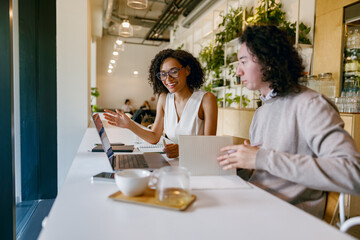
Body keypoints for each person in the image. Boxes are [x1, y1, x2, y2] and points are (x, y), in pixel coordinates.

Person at [217, 25, 360, 218]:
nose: (237, 72)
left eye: (243, 62)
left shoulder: (311, 105)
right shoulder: (262, 111)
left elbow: (352, 173)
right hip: (256, 205)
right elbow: (270, 172)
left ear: (267, 61)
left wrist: (261, 158)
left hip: (289, 217)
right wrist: (246, 164)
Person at [104, 49, 218, 158]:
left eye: (173, 71)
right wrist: (129, 125)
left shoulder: (206, 99)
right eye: (163, 74)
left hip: (200, 165)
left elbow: (209, 145)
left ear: (187, 70)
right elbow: (154, 137)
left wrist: (183, 149)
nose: (168, 79)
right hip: (175, 164)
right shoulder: (164, 99)